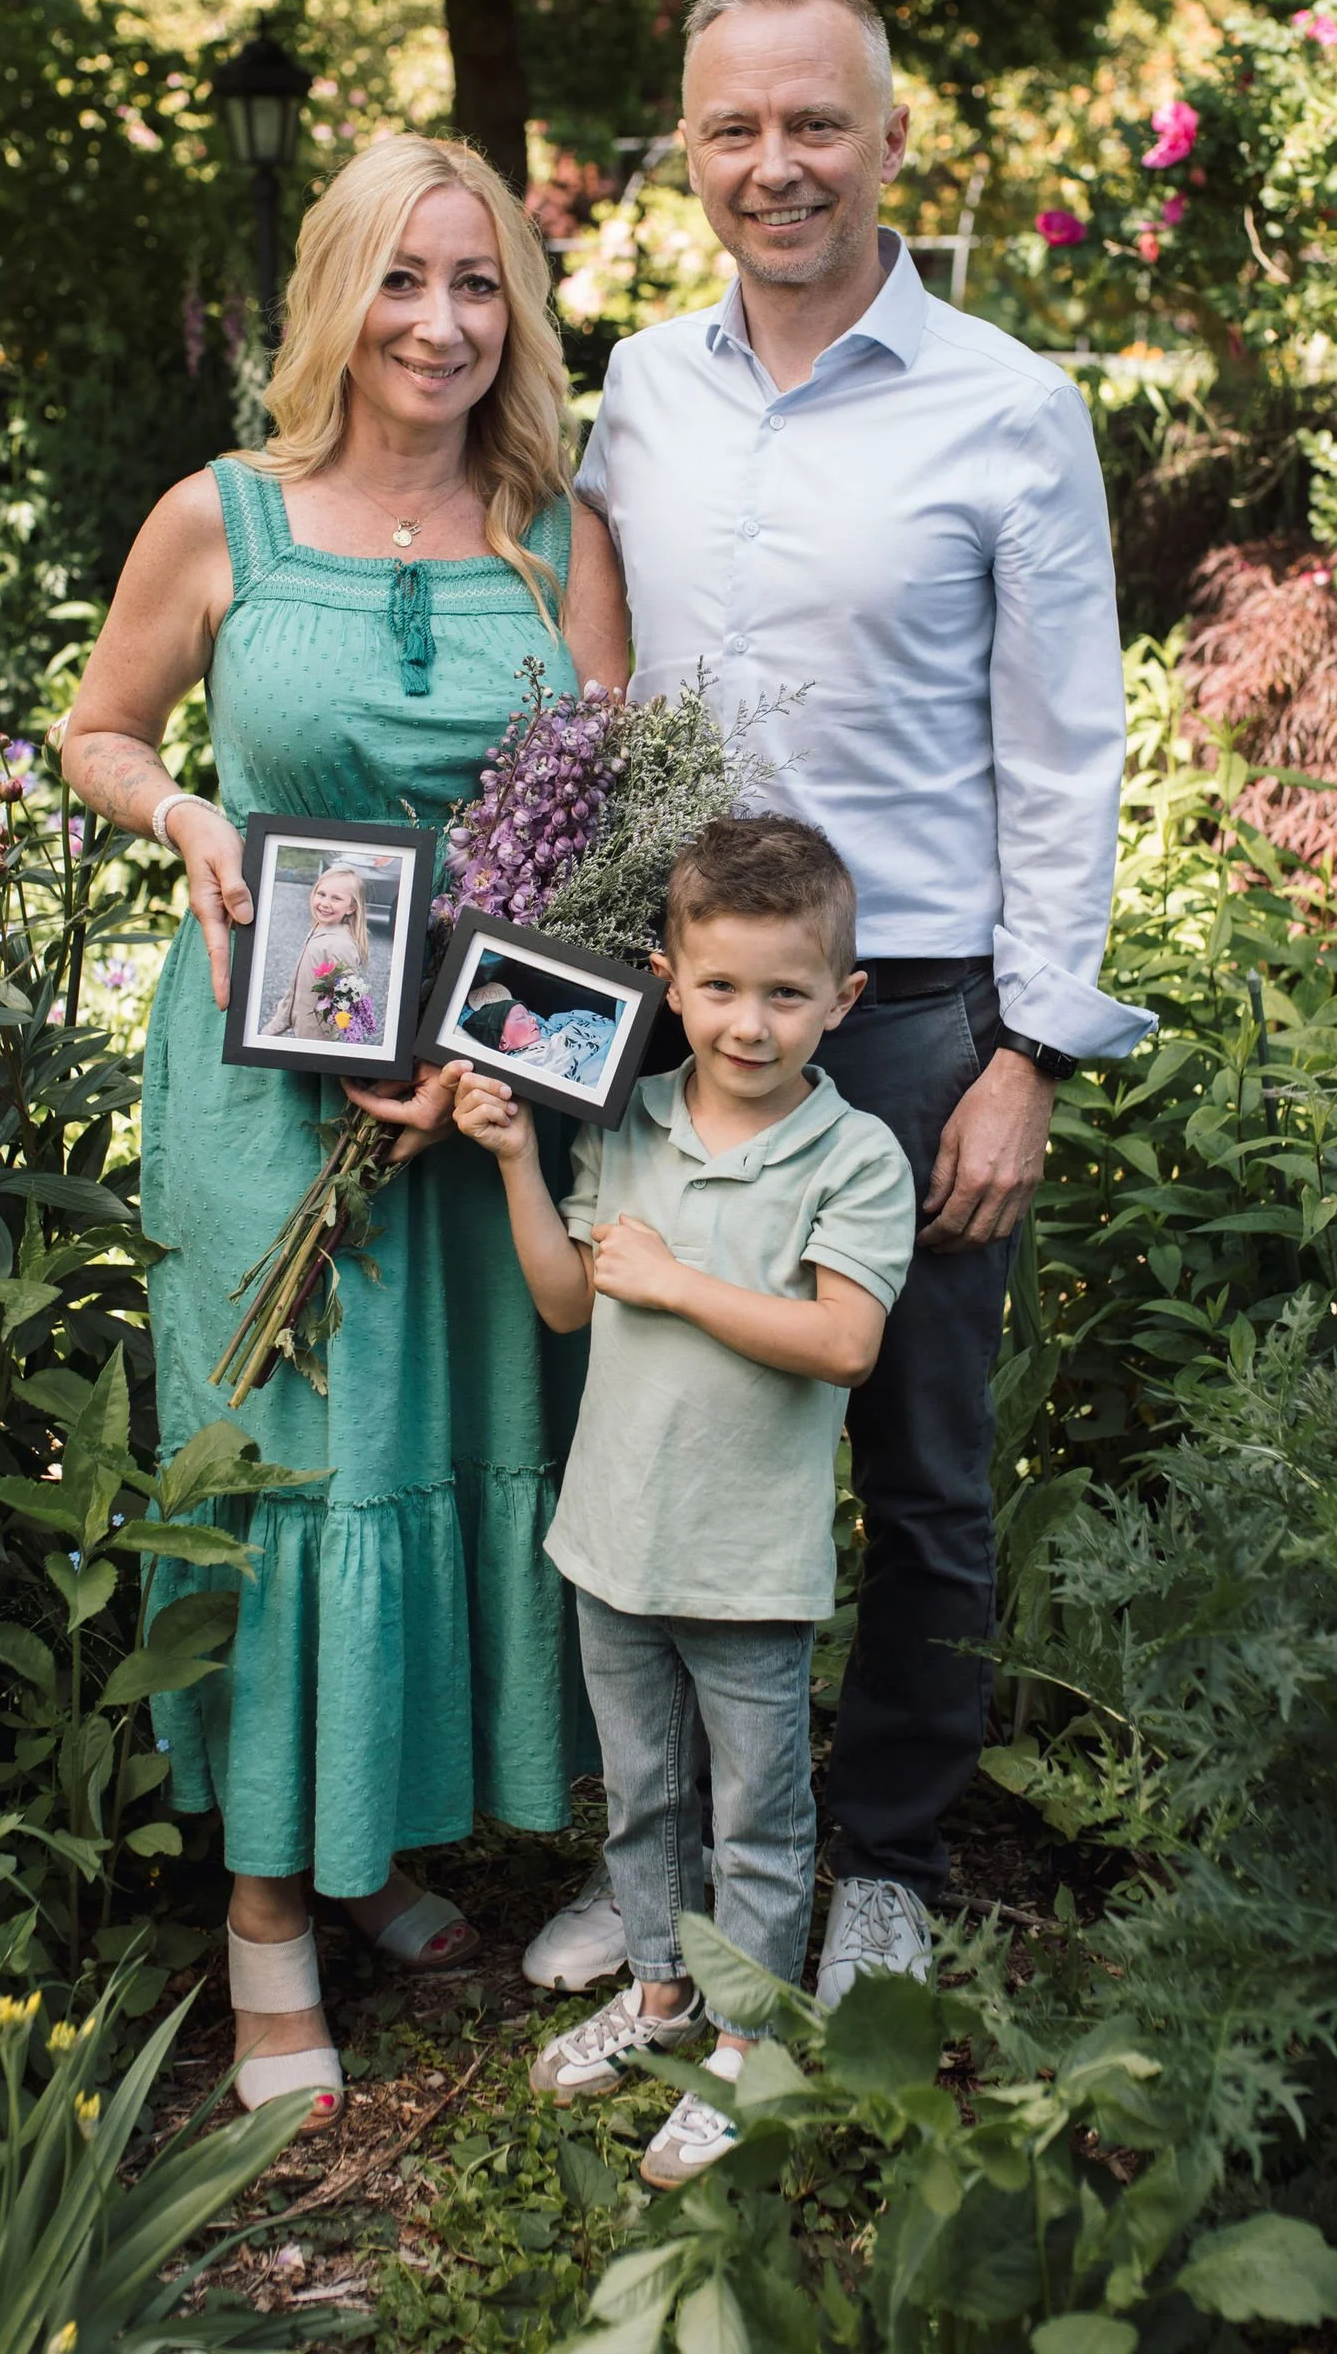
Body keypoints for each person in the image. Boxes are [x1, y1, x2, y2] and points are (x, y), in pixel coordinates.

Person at [528, 0, 1152, 2007]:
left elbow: (1066, 748)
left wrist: (1026, 1054)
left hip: (904, 1023)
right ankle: (666, 1871)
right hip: (665, 1008)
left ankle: (878, 1858)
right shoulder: (640, 387)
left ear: (891, 141)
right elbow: (585, 645)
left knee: (920, 1466)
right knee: (649, 1425)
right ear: (686, 151)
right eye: (734, 128)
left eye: (816, 124)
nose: (774, 165)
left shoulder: (1009, 407)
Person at [61, 131, 630, 2118]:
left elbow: (603, 840)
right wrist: (190, 819)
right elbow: (97, 732)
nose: (444, 324)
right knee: (287, 1460)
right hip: (256, 1073)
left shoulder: (557, 538)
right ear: (335, 298)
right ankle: (265, 1916)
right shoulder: (222, 519)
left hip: (469, 1084)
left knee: (446, 1441)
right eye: (405, 280)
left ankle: (369, 1838)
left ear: (517, 311)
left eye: (479, 285)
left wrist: (486, 1059)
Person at [456, 817, 915, 2184]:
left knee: (757, 1823)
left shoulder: (856, 1160)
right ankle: (659, 1992)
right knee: (646, 1803)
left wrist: (674, 1284)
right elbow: (561, 1299)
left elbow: (844, 1344)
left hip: (746, 1565)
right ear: (667, 982)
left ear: (845, 999)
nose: (751, 1024)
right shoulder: (635, 1120)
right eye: (720, 989)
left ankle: (748, 2045)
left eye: (787, 993)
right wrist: (516, 1164)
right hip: (613, 1540)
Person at [263, 860, 377, 1041]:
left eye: (336, 898)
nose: (325, 903)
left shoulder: (341, 945)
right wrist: (282, 1018)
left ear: (351, 908)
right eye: (321, 894)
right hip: (297, 1014)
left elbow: (346, 994)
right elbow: (299, 982)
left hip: (316, 1029)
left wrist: (341, 1027)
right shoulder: (320, 928)